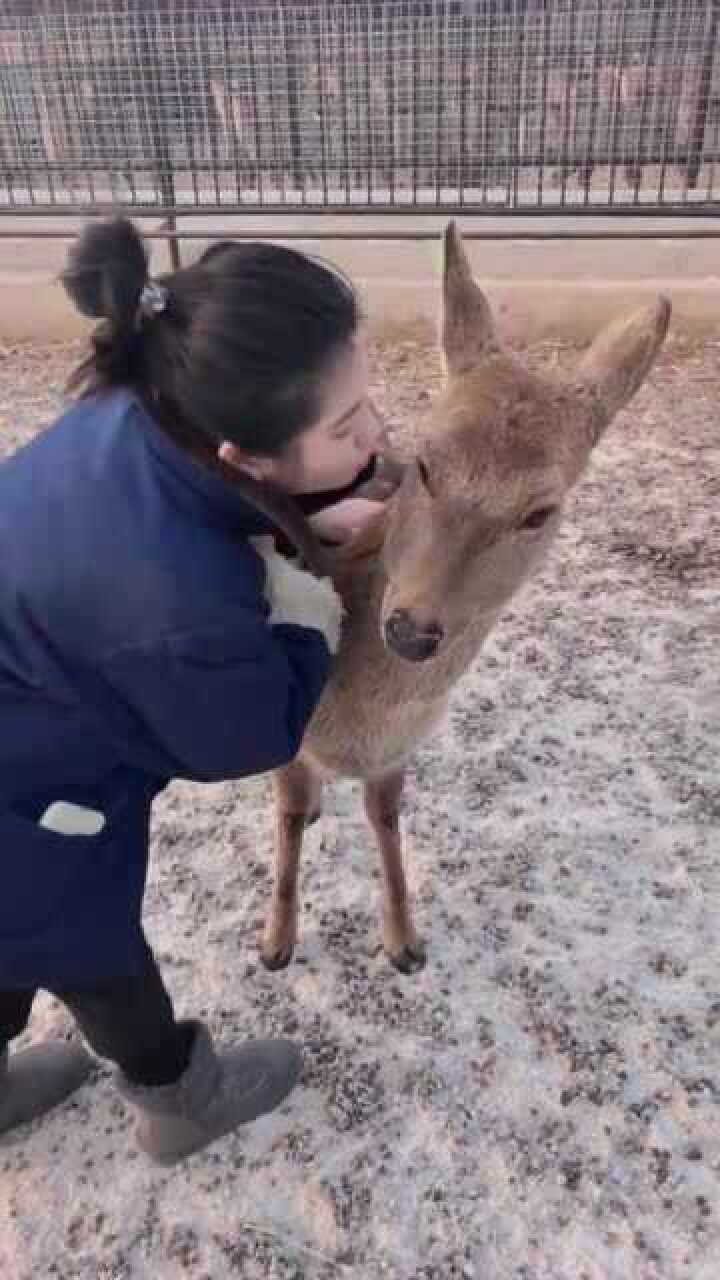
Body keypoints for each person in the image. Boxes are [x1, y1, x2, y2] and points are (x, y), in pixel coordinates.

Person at [0, 217, 389, 1165]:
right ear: (243, 456)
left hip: (24, 723)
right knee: (85, 944)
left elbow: (178, 518)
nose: (376, 434)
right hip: (26, 802)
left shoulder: (134, 400)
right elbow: (241, 738)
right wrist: (303, 609)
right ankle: (177, 1098)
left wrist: (282, 514)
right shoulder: (175, 604)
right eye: (345, 428)